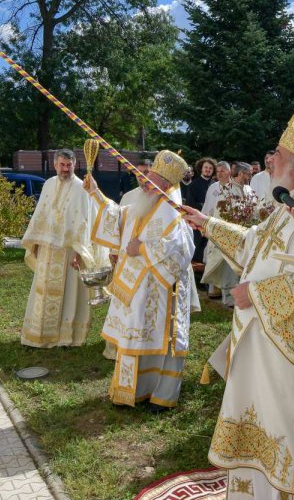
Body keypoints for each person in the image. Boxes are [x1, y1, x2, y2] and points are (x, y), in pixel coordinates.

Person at [181, 110, 294, 500]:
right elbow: (251, 244)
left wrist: (254, 294)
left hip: (287, 364)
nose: (271, 161)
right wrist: (205, 223)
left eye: (278, 154)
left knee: (282, 439)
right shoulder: (287, 209)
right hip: (263, 350)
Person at [87, 151, 199, 410]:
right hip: (135, 290)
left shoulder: (174, 214)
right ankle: (133, 390)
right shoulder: (144, 204)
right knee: (133, 335)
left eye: (152, 177)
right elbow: (118, 216)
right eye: (147, 175)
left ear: (167, 184)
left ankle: (162, 395)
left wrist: (142, 249)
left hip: (162, 292)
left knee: (163, 339)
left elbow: (182, 250)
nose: (146, 180)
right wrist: (95, 192)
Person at [19, 150, 104, 348]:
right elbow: (41, 214)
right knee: (42, 292)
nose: (65, 169)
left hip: (68, 250)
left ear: (75, 165)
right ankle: (41, 333)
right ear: (55, 164)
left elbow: (85, 222)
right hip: (47, 249)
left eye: (69, 165)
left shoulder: (81, 188)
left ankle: (66, 337)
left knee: (69, 293)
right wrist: (36, 242)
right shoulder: (49, 184)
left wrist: (78, 254)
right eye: (62, 165)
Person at [203, 162, 255, 306]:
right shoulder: (227, 190)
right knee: (228, 267)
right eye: (249, 173)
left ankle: (239, 296)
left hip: (245, 235)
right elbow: (220, 214)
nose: (251, 176)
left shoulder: (249, 189)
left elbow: (254, 207)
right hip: (229, 234)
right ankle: (229, 299)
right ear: (241, 173)